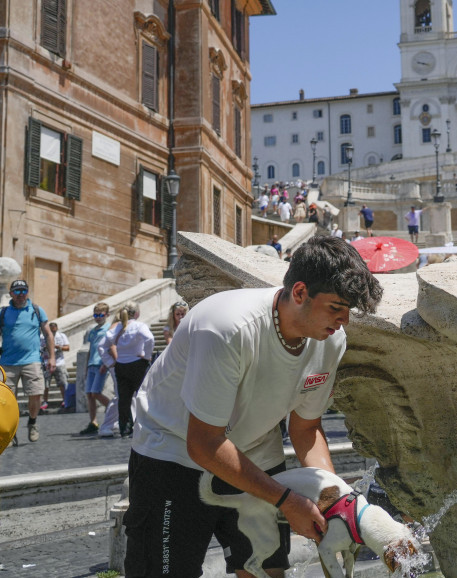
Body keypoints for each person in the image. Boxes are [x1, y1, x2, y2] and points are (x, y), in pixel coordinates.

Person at [125, 236, 383, 577]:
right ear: (300, 292)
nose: (343, 321)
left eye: (349, 311)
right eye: (336, 307)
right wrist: (289, 501)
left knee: (267, 571)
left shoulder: (330, 340)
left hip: (256, 451)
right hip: (173, 454)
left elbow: (306, 429)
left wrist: (336, 502)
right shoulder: (227, 327)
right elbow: (204, 443)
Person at [1, 280, 53, 442]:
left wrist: (51, 357)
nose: (21, 294)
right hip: (8, 362)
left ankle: (32, 422)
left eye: (23, 290)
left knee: (36, 394)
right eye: (17, 291)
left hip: (32, 360)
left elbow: (48, 334)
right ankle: (11, 430)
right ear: (11, 294)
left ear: (28, 292)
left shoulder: (36, 311)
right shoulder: (3, 313)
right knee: (6, 400)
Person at [102, 301, 154, 438]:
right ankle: (144, 425)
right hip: (137, 363)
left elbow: (102, 346)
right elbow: (149, 339)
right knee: (142, 395)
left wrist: (110, 362)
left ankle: (125, 428)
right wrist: (146, 356)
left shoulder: (118, 327)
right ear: (137, 313)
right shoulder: (139, 326)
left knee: (124, 399)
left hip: (121, 365)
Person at [80, 303, 113, 435]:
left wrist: (106, 363)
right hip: (92, 364)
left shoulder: (109, 329)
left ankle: (114, 409)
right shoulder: (92, 331)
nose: (98, 317)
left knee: (96, 393)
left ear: (107, 315)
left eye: (101, 315)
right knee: (89, 394)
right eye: (96, 315)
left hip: (101, 364)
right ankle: (93, 422)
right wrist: (86, 367)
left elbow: (111, 347)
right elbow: (90, 349)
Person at [41, 322, 70, 411]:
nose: (53, 331)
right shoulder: (42, 337)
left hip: (59, 363)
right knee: (45, 384)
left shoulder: (61, 336)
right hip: (46, 363)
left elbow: (67, 348)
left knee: (62, 382)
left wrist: (58, 347)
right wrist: (46, 347)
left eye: (54, 329)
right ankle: (44, 401)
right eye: (51, 329)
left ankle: (65, 400)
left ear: (57, 328)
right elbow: (39, 348)